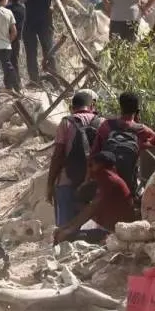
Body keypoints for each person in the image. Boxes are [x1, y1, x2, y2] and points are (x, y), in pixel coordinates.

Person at [46, 90, 101, 228]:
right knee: (95, 228)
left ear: (72, 108)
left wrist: (50, 184)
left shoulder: (66, 123)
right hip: (95, 183)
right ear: (92, 105)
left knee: (65, 228)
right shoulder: (102, 122)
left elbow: (58, 155)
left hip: (67, 182)